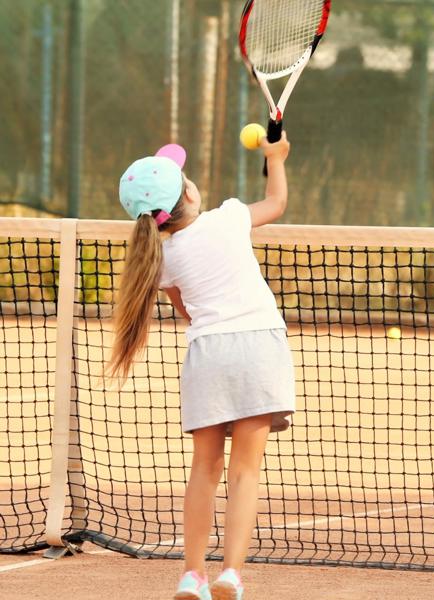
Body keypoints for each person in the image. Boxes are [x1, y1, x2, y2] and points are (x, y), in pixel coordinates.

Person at [107, 134, 294, 600]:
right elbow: (277, 200)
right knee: (245, 472)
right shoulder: (230, 217)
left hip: (207, 356)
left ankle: (193, 575)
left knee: (204, 469)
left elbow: (189, 312)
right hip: (259, 348)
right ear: (189, 192)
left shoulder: (162, 257)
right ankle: (231, 574)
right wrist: (276, 158)